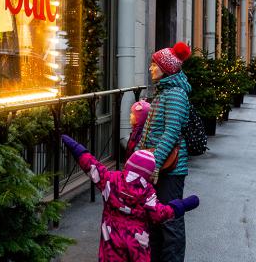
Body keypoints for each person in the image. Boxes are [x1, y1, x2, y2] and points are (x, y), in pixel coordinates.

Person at [62, 135, 199, 262]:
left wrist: (75, 147)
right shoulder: (147, 193)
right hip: (137, 245)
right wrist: (182, 205)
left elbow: (91, 165)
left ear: (128, 164)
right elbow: (160, 213)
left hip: (110, 240)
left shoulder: (110, 180)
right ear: (148, 174)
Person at [138, 41, 192, 262]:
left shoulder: (176, 94)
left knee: (170, 221)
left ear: (166, 68)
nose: (150, 68)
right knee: (155, 218)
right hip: (159, 167)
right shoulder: (164, 91)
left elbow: (171, 133)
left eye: (154, 65)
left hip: (169, 169)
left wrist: (155, 164)